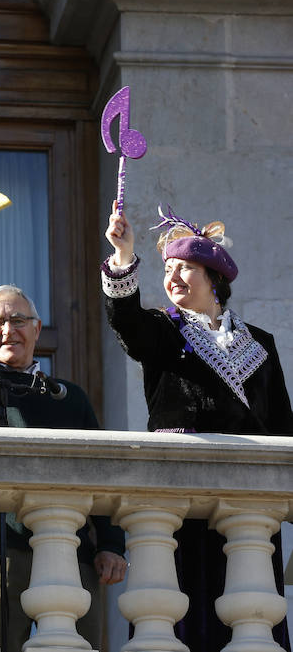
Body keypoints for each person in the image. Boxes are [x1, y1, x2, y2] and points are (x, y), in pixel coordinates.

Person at [0, 175, 127, 652]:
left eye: (18, 320)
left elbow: (101, 472)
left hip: (69, 548)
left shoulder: (70, 396)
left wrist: (110, 542)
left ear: (38, 328)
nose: (8, 330)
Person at [103, 199, 292, 652]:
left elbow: (283, 426)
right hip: (178, 493)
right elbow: (126, 320)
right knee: (178, 611)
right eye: (167, 269)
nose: (171, 277)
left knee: (251, 619)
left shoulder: (260, 343)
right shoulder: (163, 330)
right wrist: (124, 254)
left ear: (215, 279)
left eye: (185, 267)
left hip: (250, 501)